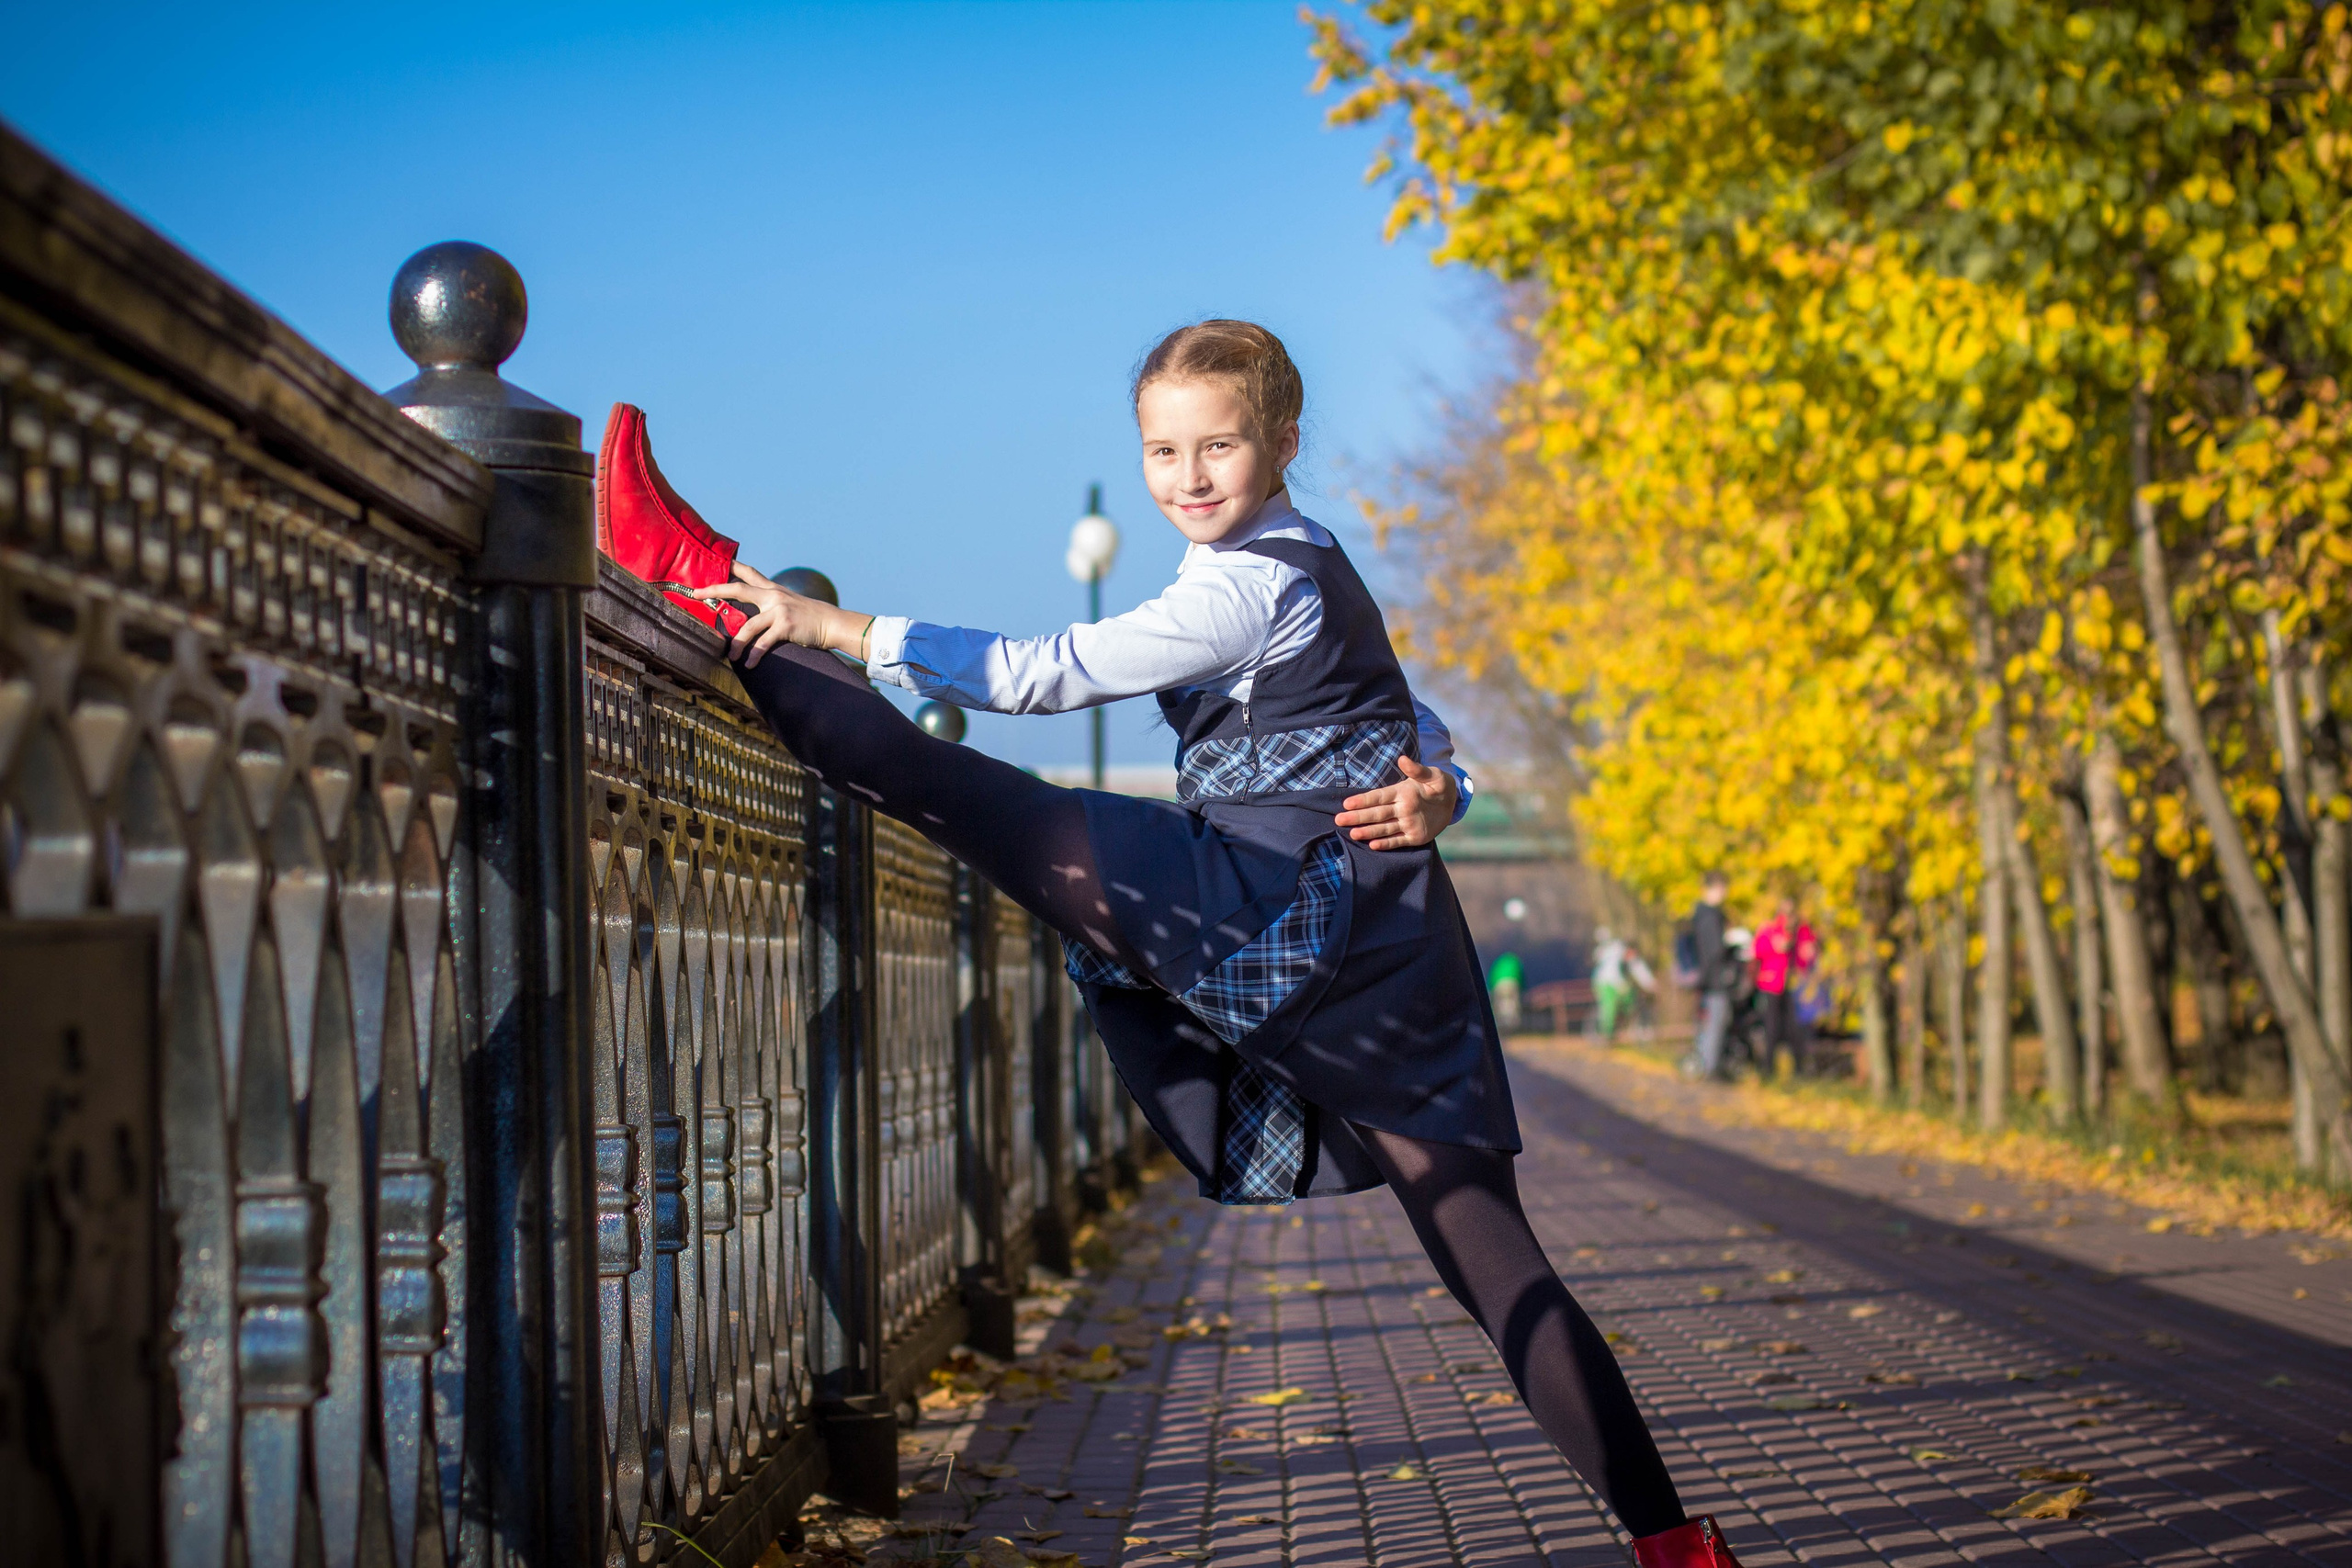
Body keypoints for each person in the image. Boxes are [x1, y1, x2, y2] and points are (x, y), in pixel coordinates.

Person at [596, 321, 1744, 1568]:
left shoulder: (1251, 581)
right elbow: (1421, 722)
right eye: (1161, 449)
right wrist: (1441, 793)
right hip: (1391, 942)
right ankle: (1676, 1544)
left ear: (1283, 442)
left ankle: (698, 573)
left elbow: (1049, 671)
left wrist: (830, 625)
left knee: (938, 784)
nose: (1188, 476)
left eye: (1218, 445)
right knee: (1487, 1248)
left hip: (1265, 900)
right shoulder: (1313, 559)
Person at [1753, 897, 1820, 1077]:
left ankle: (1799, 1069)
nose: (1789, 918)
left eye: (1791, 914)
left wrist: (1809, 953)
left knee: (1796, 1028)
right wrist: (1775, 947)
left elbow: (1809, 953)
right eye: (1785, 913)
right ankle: (1768, 1069)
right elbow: (1757, 950)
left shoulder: (1802, 931)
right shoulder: (1769, 929)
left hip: (1794, 986)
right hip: (1772, 984)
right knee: (1771, 1027)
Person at [1680, 872, 1735, 1079]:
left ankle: (1703, 1065)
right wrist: (1729, 946)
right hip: (1715, 979)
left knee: (1708, 1023)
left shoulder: (1699, 914)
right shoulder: (1711, 916)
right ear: (1715, 888)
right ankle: (1709, 1069)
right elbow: (1714, 951)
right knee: (1715, 1024)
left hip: (1705, 978)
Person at [1590, 928, 1655, 1042]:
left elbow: (1638, 968)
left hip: (1615, 982)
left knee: (1631, 999)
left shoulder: (1627, 956)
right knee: (1609, 1006)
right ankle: (1606, 1035)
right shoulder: (1615, 952)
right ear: (1629, 949)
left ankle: (1626, 1024)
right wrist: (1621, 986)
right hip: (1604, 982)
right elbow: (1612, 973)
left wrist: (1651, 984)